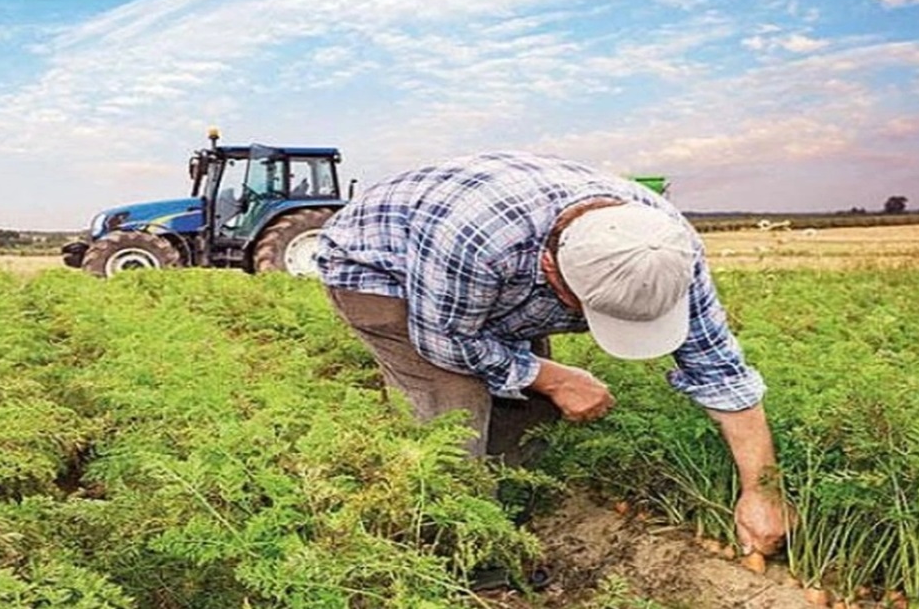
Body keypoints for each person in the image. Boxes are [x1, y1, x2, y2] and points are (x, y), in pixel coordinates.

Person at [315, 151, 787, 556]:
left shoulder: (664, 248)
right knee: (454, 415)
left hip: (491, 273)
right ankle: (452, 549)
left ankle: (508, 517)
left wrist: (762, 491)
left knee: (528, 410)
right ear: (551, 270)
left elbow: (719, 371)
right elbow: (445, 341)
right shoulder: (479, 243)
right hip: (382, 271)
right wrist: (553, 376)